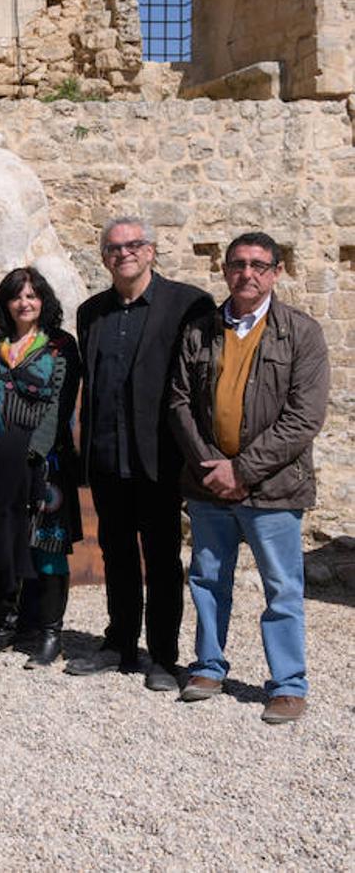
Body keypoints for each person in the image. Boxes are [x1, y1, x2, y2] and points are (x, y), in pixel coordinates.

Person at [169, 232, 329, 725]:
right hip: (208, 486)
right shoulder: (200, 331)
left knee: (281, 587)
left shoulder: (301, 333)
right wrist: (210, 466)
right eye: (238, 264)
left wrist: (242, 469)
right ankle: (208, 667)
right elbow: (178, 402)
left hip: (275, 489)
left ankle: (287, 684)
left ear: (277, 272)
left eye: (259, 265)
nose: (248, 274)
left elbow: (304, 418)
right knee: (207, 579)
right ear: (225, 271)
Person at [65, 217, 215, 690]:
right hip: (108, 455)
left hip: (160, 457)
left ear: (151, 251)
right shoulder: (91, 312)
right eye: (113, 247)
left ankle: (165, 656)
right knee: (117, 554)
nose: (123, 253)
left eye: (133, 245)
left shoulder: (188, 304)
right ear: (104, 256)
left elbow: (201, 383)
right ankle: (120, 642)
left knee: (164, 558)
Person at [0, 268, 81, 669]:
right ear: (5, 303)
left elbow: (58, 406)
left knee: (46, 545)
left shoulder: (61, 347)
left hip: (43, 464)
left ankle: (49, 634)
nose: (24, 303)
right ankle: (6, 623)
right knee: (1, 545)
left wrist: (34, 452)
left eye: (31, 296)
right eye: (16, 296)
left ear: (43, 300)